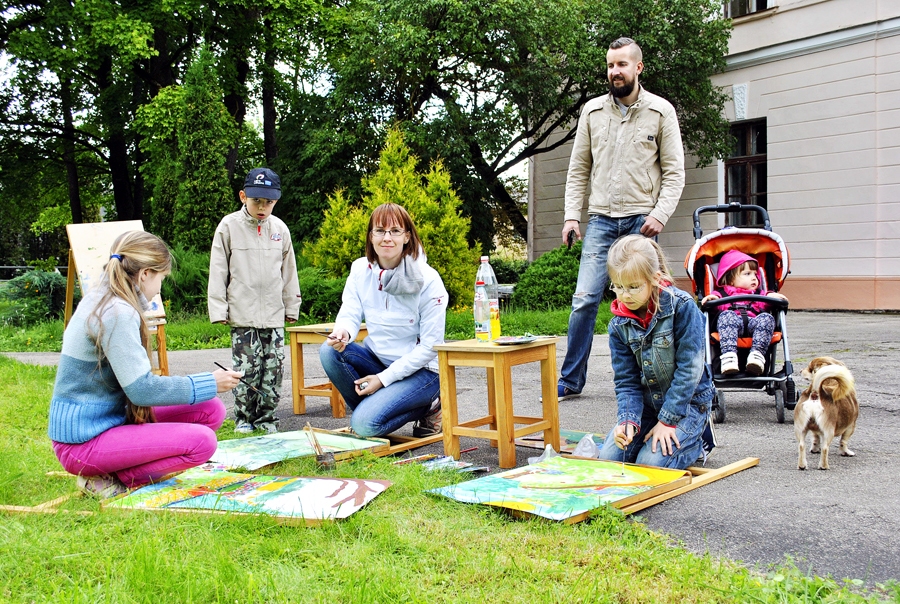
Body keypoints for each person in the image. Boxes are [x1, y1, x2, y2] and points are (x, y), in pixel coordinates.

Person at [48, 231, 243, 498]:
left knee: (210, 409)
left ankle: (117, 464)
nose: (160, 287)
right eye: (161, 278)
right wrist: (210, 381)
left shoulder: (104, 298)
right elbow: (141, 390)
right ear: (145, 274)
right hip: (83, 443)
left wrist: (208, 385)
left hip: (103, 422)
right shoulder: (117, 312)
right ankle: (107, 478)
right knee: (202, 443)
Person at [557, 36, 685, 401]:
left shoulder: (661, 112)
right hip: (600, 219)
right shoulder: (592, 112)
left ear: (638, 67)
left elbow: (675, 172)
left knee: (645, 300)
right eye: (611, 65)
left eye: (622, 64)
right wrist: (571, 217)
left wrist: (660, 214)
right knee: (584, 299)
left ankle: (652, 377)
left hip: (641, 221)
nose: (615, 71)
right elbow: (578, 169)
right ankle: (571, 379)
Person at [320, 203, 447, 438]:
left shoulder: (428, 280)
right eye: (380, 230)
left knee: (365, 426)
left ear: (407, 237)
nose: (387, 238)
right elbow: (350, 310)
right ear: (371, 236)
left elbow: (431, 346)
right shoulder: (360, 269)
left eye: (395, 231)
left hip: (422, 373)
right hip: (378, 361)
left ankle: (430, 406)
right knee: (329, 352)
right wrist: (343, 331)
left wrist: (382, 380)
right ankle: (372, 411)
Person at [596, 235, 715, 469]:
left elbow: (689, 371)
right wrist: (627, 422)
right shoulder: (618, 326)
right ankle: (654, 432)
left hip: (688, 405)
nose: (625, 295)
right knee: (609, 459)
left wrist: (668, 421)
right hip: (648, 407)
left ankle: (698, 441)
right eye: (618, 286)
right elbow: (626, 381)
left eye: (633, 287)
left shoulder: (682, 307)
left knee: (649, 463)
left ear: (655, 279)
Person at [208, 167, 302, 434]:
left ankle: (267, 419)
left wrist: (292, 305)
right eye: (256, 200)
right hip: (243, 313)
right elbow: (218, 269)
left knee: (273, 370)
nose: (262, 207)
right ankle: (244, 419)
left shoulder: (280, 229)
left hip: (273, 313)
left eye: (268, 202)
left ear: (276, 201)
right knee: (247, 369)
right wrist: (219, 308)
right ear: (243, 197)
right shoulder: (228, 226)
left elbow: (289, 271)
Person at [701, 250, 789, 375]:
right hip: (730, 328)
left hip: (754, 327)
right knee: (726, 316)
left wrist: (773, 296)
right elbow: (712, 306)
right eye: (747, 274)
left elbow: (769, 301)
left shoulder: (760, 295)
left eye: (755, 274)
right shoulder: (721, 294)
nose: (754, 277)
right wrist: (710, 300)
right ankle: (729, 357)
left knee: (767, 317)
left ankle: (757, 356)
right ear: (730, 278)